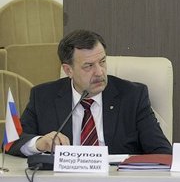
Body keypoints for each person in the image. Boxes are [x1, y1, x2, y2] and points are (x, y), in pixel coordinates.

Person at [7, 29, 171, 156]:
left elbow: (162, 152)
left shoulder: (133, 96)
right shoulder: (43, 96)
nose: (99, 72)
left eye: (102, 62)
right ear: (68, 70)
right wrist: (39, 143)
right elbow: (12, 143)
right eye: (89, 66)